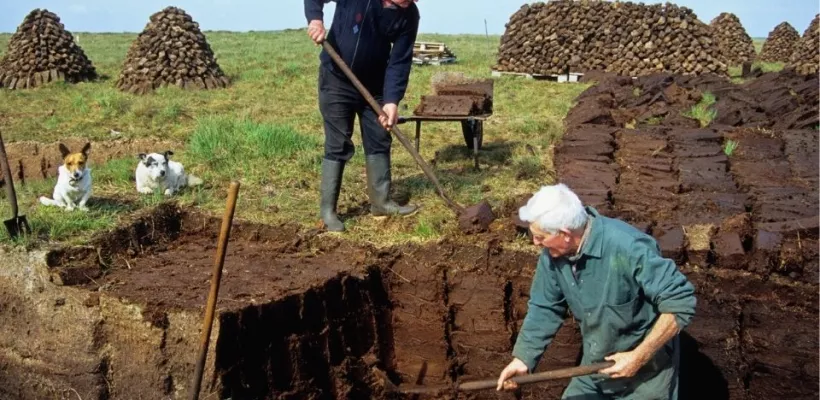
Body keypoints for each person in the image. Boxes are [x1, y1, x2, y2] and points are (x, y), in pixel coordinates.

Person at [496, 184, 696, 399]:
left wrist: (638, 356)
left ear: (565, 234)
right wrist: (523, 360)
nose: (535, 242)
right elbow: (545, 307)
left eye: (540, 237)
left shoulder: (628, 247)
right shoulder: (553, 255)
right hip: (595, 367)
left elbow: (681, 301)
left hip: (645, 375)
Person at [305, 0, 420, 232]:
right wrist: (315, 19)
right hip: (336, 80)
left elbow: (399, 61)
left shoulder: (409, 16)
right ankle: (328, 212)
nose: (411, 2)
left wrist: (391, 101)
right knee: (338, 143)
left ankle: (381, 203)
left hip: (374, 87)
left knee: (379, 137)